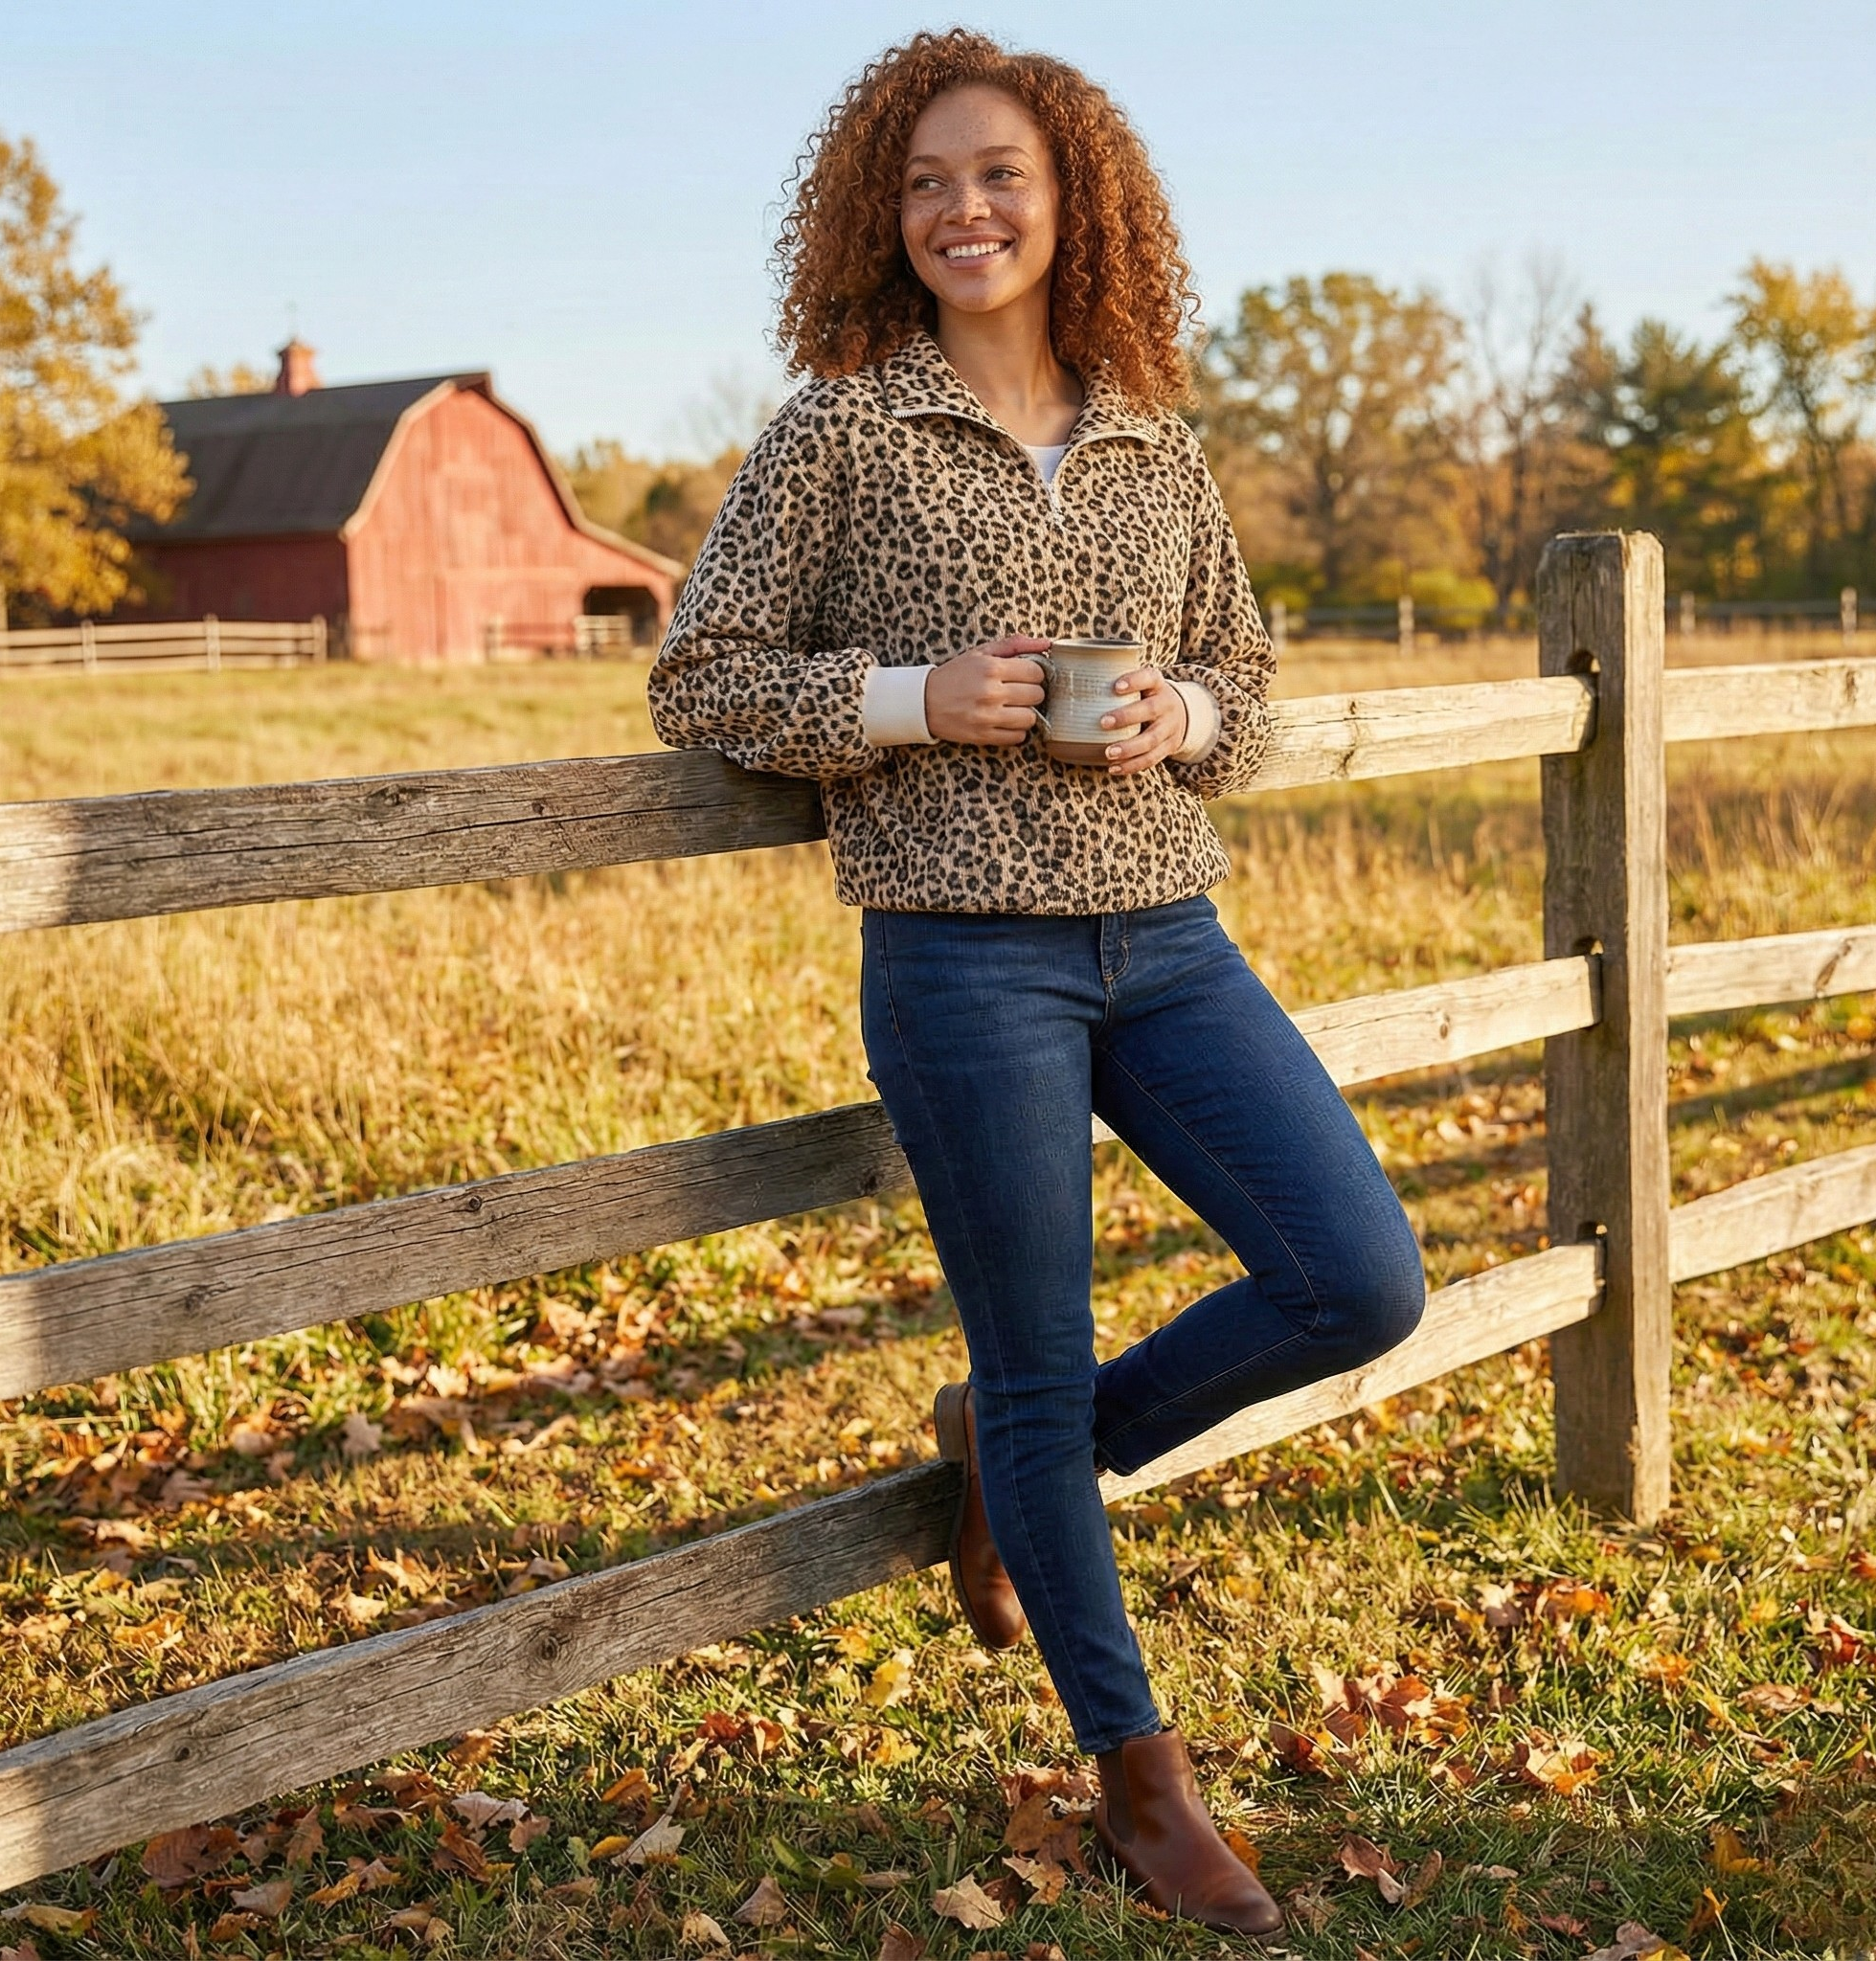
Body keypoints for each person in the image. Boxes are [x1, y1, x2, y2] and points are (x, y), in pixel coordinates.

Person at [648, 29, 1427, 1941]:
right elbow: (699, 679)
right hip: (959, 958)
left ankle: (1021, 1463)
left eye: (997, 175)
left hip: (1168, 938)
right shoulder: (841, 428)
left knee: (1358, 1276)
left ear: (1071, 199)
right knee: (1032, 1350)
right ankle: (1143, 1782)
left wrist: (1180, 708)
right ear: (877, 217)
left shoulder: (1156, 433)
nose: (961, 210)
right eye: (923, 184)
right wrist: (911, 700)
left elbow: (1244, 699)